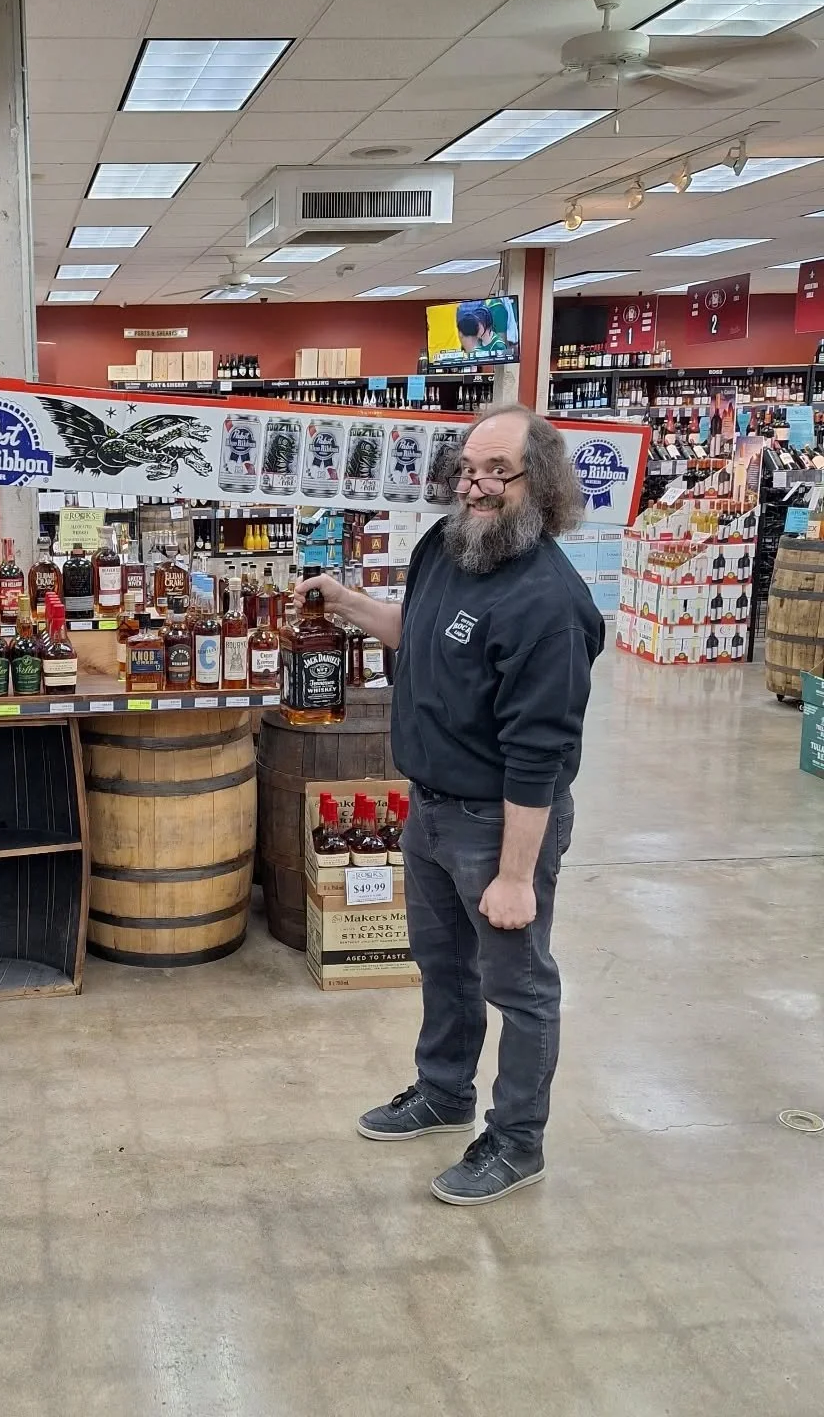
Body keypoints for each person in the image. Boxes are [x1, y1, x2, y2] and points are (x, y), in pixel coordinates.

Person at [298, 405, 603, 1206]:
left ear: (539, 484)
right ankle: (443, 1091)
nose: (476, 485)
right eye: (469, 468)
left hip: (500, 823)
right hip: (429, 809)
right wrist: (346, 601)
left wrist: (515, 875)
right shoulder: (448, 545)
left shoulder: (549, 605)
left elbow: (540, 757)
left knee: (520, 985)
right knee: (443, 965)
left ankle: (516, 1141)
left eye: (497, 472)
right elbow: (418, 631)